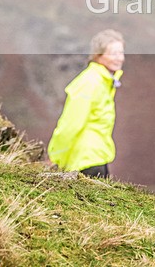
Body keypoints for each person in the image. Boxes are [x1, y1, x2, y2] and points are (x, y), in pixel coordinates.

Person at [47, 29, 125, 178]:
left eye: (121, 53)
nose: (119, 58)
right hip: (84, 162)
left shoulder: (105, 81)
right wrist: (55, 157)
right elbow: (71, 124)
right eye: (113, 53)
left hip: (97, 158)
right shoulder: (90, 83)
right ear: (98, 55)